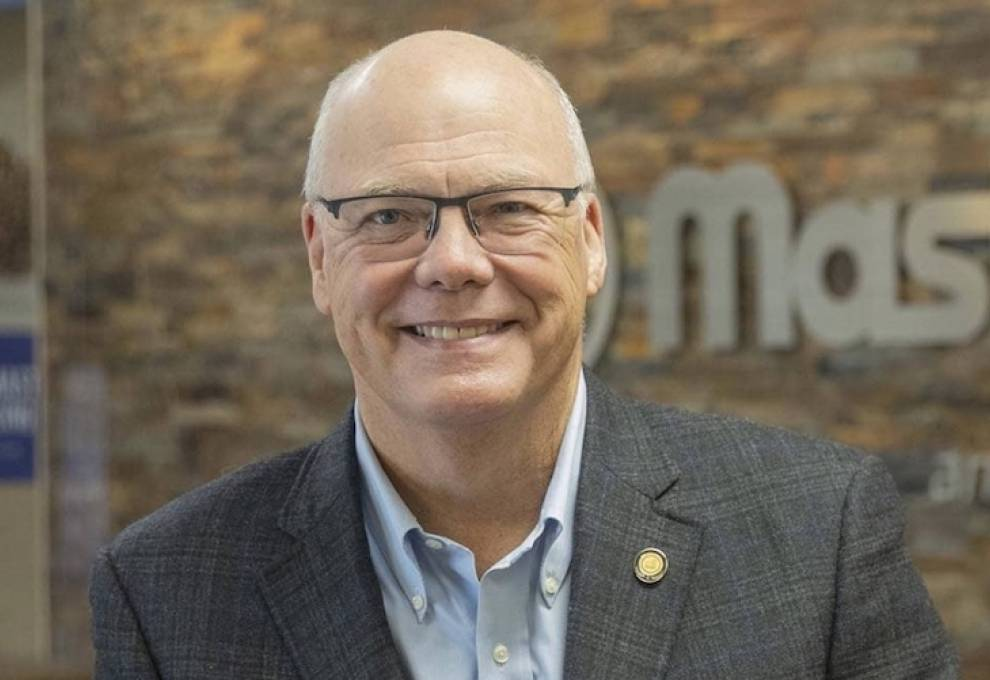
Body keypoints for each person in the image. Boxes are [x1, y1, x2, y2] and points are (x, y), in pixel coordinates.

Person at [90, 30, 959, 679]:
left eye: (508, 208)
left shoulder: (816, 535)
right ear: (320, 257)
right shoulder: (167, 592)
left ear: (590, 240)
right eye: (389, 215)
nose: (454, 263)